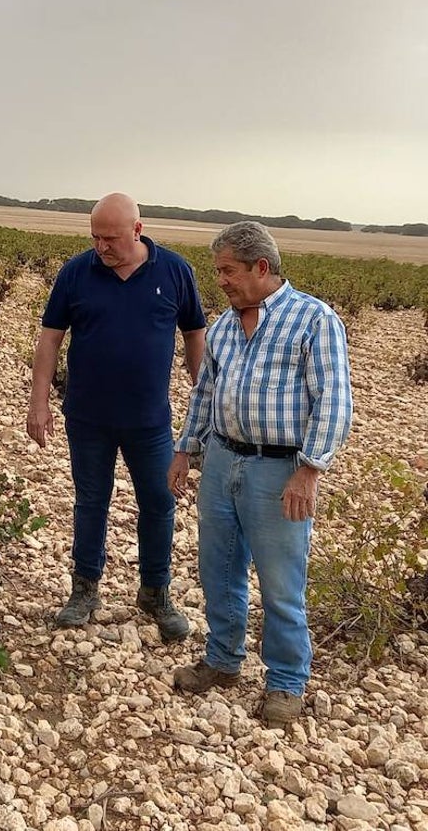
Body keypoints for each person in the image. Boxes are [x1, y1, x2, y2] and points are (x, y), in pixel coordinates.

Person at [169, 221, 352, 727]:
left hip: (280, 468)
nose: (221, 281)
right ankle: (223, 660)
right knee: (218, 568)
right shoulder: (225, 326)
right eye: (218, 272)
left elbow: (334, 401)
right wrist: (185, 450)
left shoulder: (314, 320)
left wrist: (310, 469)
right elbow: (204, 393)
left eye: (228, 271)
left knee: (280, 581)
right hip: (222, 459)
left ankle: (287, 681)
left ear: (262, 268)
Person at [26, 193, 206, 641]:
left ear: (137, 231)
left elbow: (195, 337)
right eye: (95, 238)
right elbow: (49, 340)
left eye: (111, 238)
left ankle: (155, 592)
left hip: (150, 422)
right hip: (87, 418)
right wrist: (39, 401)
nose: (101, 247)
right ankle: (84, 590)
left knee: (160, 503)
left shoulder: (176, 271)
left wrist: (205, 404)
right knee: (91, 501)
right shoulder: (75, 272)